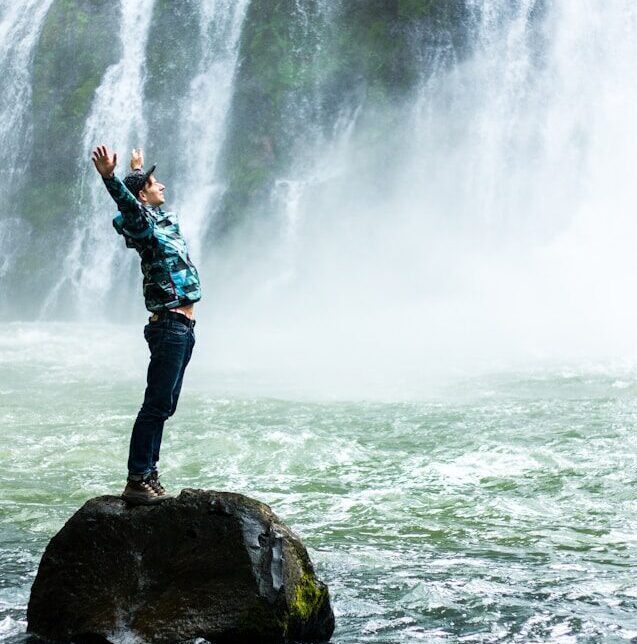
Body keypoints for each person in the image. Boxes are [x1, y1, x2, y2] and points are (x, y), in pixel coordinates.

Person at [91, 145, 201, 505]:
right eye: (155, 184)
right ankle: (137, 477)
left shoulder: (162, 222)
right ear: (142, 196)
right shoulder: (144, 228)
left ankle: (148, 473)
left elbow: (146, 205)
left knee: (164, 405)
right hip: (169, 325)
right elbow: (129, 208)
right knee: (155, 405)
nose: (163, 186)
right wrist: (111, 178)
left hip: (183, 329)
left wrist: (138, 171)